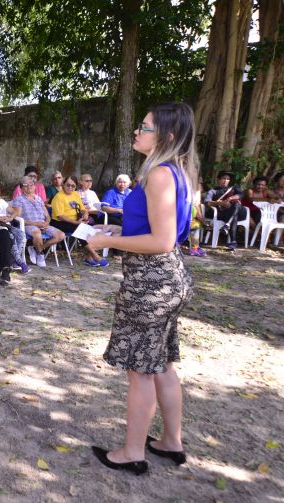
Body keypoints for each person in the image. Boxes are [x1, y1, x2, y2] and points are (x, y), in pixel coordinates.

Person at [87, 102, 197, 475]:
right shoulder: (176, 171)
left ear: (165, 137)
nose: (137, 131)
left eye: (144, 127)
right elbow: (153, 229)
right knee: (161, 363)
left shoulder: (160, 175)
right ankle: (170, 441)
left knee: (141, 370)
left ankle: (133, 451)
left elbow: (162, 240)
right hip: (168, 280)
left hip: (151, 283)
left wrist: (108, 244)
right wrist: (119, 232)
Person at [50, 175, 108, 267]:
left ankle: (89, 258)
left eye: (73, 186)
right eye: (68, 185)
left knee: (89, 229)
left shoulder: (75, 195)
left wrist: (85, 213)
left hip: (74, 222)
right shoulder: (59, 197)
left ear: (75, 186)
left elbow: (82, 208)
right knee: (80, 229)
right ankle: (95, 256)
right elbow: (60, 217)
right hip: (59, 223)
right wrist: (76, 222)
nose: (70, 187)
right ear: (63, 184)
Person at [11, 177, 65, 268]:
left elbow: (47, 215)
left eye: (31, 184)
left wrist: (47, 222)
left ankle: (37, 248)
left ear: (34, 186)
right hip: (29, 225)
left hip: (43, 225)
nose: (29, 186)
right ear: (21, 188)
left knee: (61, 235)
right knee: (37, 232)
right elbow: (18, 218)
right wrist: (36, 224)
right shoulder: (19, 200)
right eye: (25, 185)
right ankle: (40, 254)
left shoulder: (39, 199)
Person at [0, 183, 31, 275]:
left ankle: (14, 260)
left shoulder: (2, 202)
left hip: (7, 225)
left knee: (21, 234)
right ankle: (20, 262)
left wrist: (10, 218)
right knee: (11, 236)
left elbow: (15, 211)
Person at [204, 171, 245, 251]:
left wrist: (230, 198)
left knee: (236, 204)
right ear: (218, 179)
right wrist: (219, 203)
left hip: (240, 212)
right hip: (224, 213)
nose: (226, 180)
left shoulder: (234, 188)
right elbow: (207, 202)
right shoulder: (213, 191)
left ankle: (227, 225)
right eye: (223, 178)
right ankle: (233, 241)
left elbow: (241, 195)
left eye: (228, 179)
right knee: (234, 216)